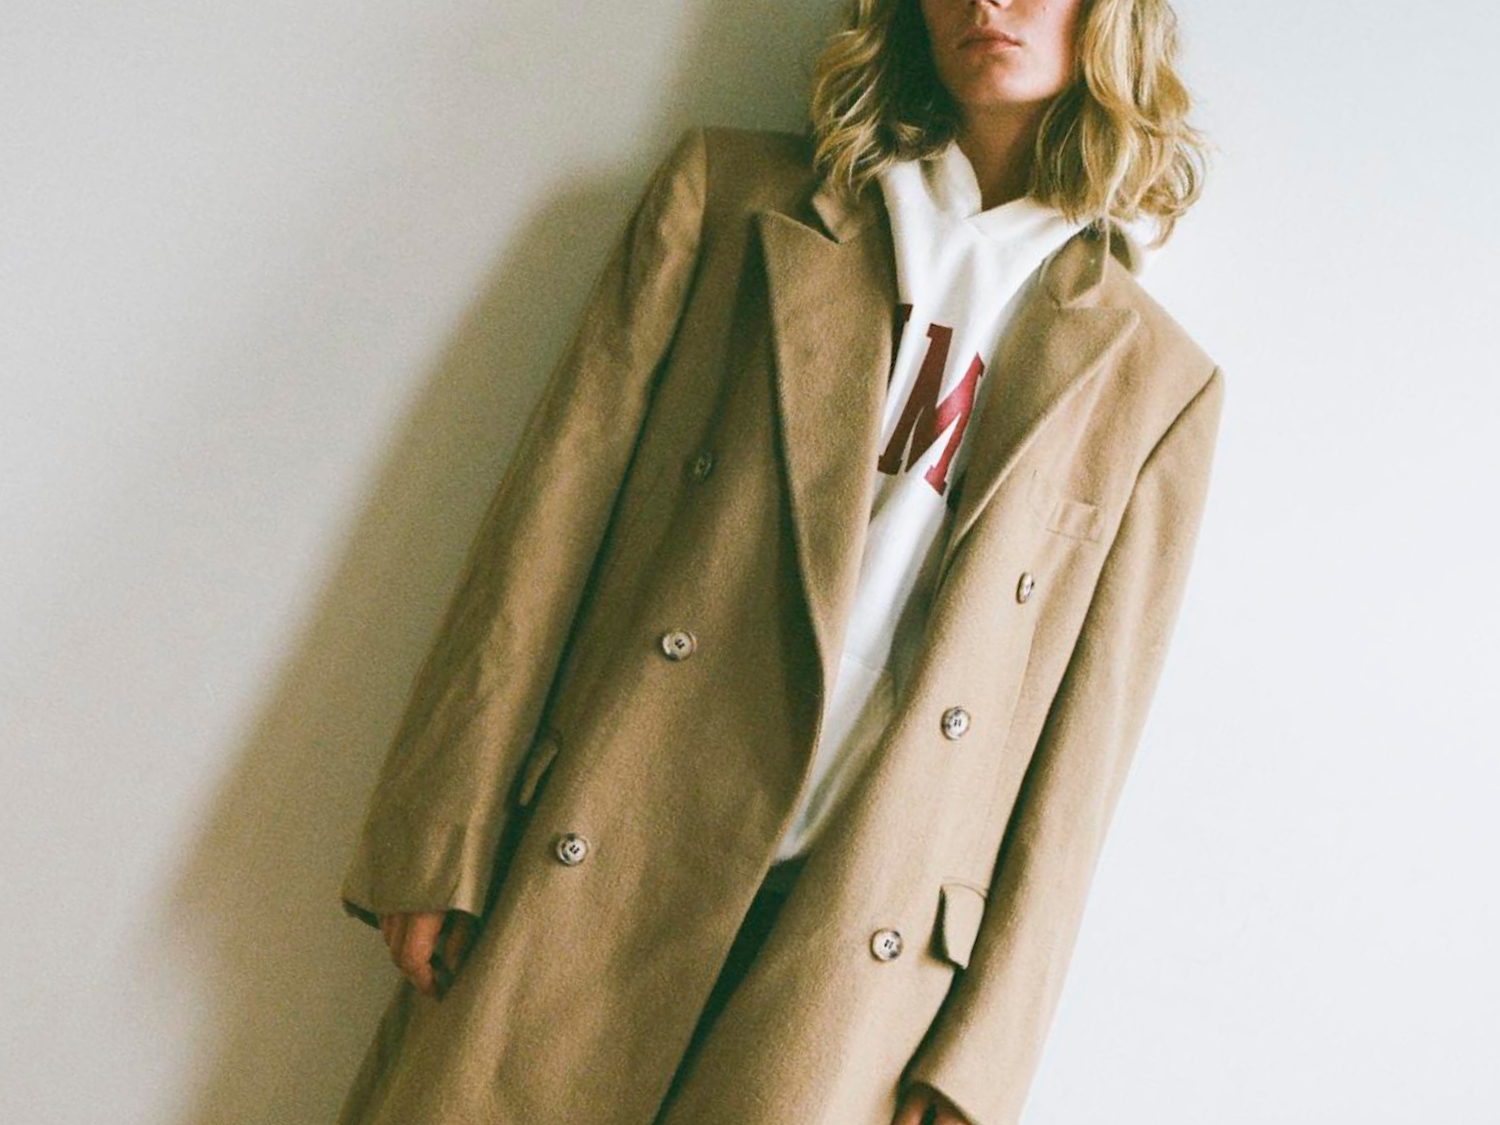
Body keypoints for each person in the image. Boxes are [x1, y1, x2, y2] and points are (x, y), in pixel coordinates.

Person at [336, 0, 1223, 1123]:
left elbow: (1084, 748)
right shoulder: (730, 200)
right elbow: (546, 523)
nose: (987, 3)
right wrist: (442, 838)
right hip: (611, 833)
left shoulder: (1154, 379)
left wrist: (979, 1067)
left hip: (858, 933)